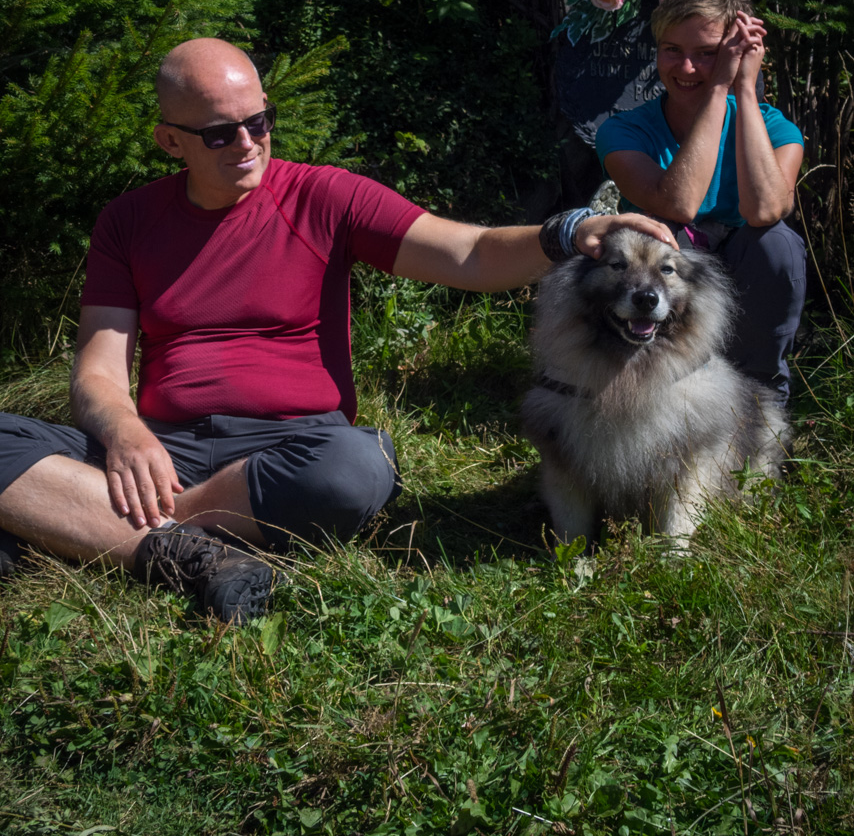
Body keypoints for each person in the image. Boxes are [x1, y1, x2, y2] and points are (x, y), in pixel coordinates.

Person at [0, 38, 676, 622]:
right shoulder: (129, 220)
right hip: (160, 445)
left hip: (291, 448)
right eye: (218, 133)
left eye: (259, 122)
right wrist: (124, 433)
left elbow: (467, 253)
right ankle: (190, 551)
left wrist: (566, 231)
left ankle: (91, 524)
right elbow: (97, 370)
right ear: (169, 140)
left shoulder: (325, 195)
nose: (246, 144)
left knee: (359, 467)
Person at [596, 0, 806, 401]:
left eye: (708, 54)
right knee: (658, 226)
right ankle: (652, 392)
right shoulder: (624, 132)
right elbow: (679, 205)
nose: (686, 68)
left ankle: (762, 399)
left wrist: (742, 89)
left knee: (777, 244)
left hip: (745, 274)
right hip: (660, 282)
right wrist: (717, 89)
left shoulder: (775, 130)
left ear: (740, 54)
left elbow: (766, 210)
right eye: (672, 50)